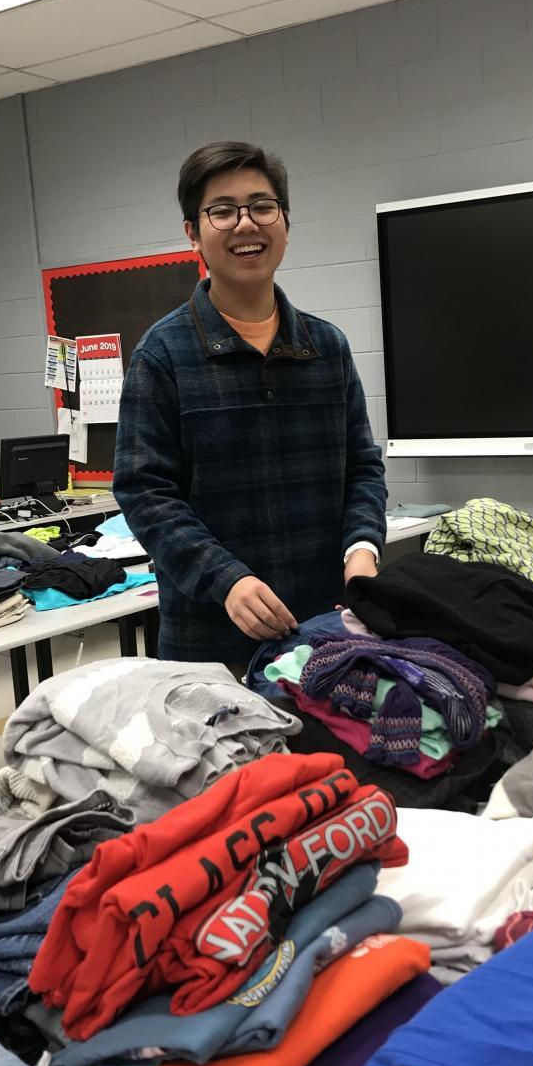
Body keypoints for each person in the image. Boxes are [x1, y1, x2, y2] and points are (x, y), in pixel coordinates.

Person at [113, 141, 387, 670]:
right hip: (211, 637)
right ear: (193, 232)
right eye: (222, 211)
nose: (245, 224)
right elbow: (145, 492)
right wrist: (227, 579)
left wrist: (362, 550)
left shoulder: (326, 347)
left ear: (285, 222)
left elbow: (362, 466)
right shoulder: (163, 354)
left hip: (329, 623)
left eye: (262, 206)